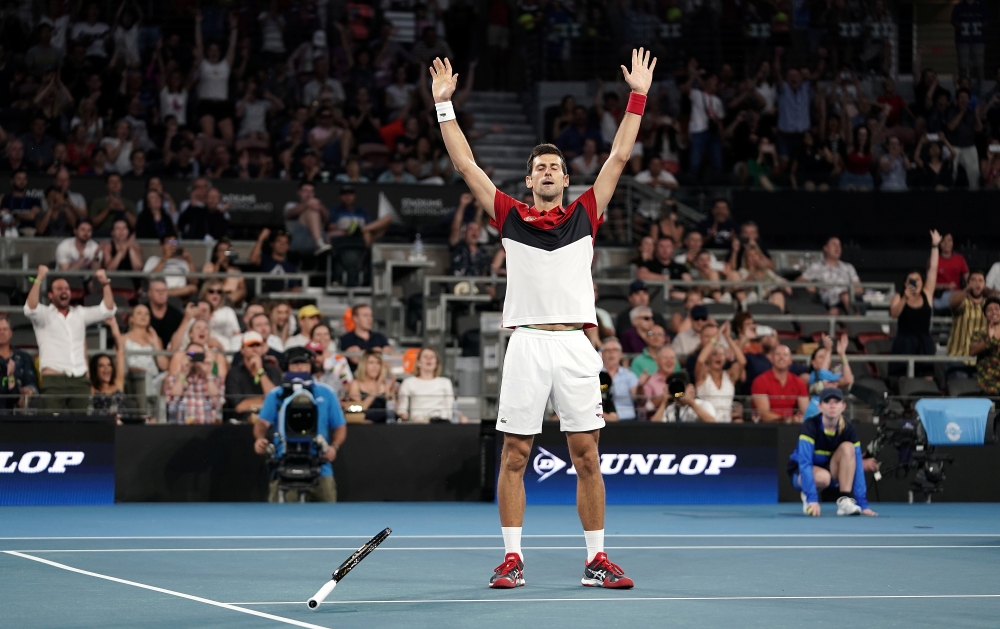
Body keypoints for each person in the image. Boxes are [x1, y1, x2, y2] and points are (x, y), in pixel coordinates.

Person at [435, 51, 653, 589]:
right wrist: (444, 107)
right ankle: (513, 559)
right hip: (528, 345)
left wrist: (639, 96)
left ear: (565, 176)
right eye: (540, 168)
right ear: (529, 180)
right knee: (514, 454)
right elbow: (466, 165)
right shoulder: (509, 214)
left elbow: (621, 155)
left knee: (587, 457)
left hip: (577, 346)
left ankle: (596, 561)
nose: (549, 171)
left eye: (556, 166)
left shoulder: (586, 213)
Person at [253, 346, 347, 502]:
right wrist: (259, 439)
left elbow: (340, 426)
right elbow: (261, 423)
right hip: (283, 464)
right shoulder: (275, 394)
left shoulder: (326, 392)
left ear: (311, 366)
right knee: (281, 520)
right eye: (295, 364)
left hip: (320, 465)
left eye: (304, 363)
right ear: (287, 367)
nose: (300, 367)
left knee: (330, 518)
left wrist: (334, 447)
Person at [25, 266, 116, 411]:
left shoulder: (79, 314)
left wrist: (105, 284)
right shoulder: (44, 314)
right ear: (50, 295)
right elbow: (30, 308)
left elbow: (108, 310)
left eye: (66, 288)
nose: (64, 291)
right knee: (54, 427)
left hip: (79, 379)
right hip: (54, 380)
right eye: (59, 288)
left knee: (81, 428)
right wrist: (39, 278)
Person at [789, 388, 877, 517]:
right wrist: (812, 499)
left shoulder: (848, 429)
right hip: (801, 474)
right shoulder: (810, 426)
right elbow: (804, 463)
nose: (832, 405)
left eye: (836, 401)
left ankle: (845, 502)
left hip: (831, 472)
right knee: (823, 478)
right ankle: (807, 492)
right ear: (820, 407)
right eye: (827, 401)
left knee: (848, 447)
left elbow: (857, 465)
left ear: (843, 406)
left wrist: (863, 504)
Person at [890, 231, 941, 377]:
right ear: (905, 283)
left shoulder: (927, 294)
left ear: (922, 282)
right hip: (904, 342)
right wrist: (905, 298)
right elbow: (894, 314)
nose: (915, 283)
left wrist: (935, 245)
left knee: (927, 377)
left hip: (924, 342)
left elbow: (933, 269)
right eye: (911, 280)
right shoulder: (898, 297)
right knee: (904, 378)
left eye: (918, 280)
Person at [694, 321, 746, 423]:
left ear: (725, 358)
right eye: (714, 354)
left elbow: (742, 361)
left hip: (727, 425)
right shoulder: (703, 376)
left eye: (722, 354)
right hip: (707, 423)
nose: (718, 356)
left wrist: (728, 338)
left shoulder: (729, 376)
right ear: (708, 358)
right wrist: (716, 337)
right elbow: (700, 360)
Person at [225, 331, 282, 423]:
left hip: (270, 422)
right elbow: (240, 406)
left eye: (258, 345)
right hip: (241, 424)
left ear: (263, 348)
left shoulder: (273, 371)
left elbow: (276, 400)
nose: (255, 349)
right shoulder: (234, 373)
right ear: (242, 350)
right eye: (251, 345)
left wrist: (260, 371)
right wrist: (267, 402)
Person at [798, 237, 862, 314]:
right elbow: (798, 281)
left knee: (845, 297)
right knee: (833, 312)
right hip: (827, 303)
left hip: (847, 300)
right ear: (826, 248)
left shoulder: (848, 267)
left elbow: (859, 289)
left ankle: (858, 324)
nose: (837, 248)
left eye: (839, 245)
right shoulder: (816, 267)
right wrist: (808, 284)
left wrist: (846, 292)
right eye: (834, 245)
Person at [165, 342, 225, 424]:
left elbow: (218, 403)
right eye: (192, 353)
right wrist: (183, 373)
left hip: (207, 429)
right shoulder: (174, 379)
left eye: (199, 354)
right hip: (182, 429)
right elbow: (172, 402)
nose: (195, 357)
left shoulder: (215, 380)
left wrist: (208, 374)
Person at [396, 347, 459, 423]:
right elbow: (402, 410)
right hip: (418, 425)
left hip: (441, 424)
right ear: (418, 362)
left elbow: (450, 408)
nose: (429, 359)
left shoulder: (445, 382)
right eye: (425, 356)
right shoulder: (408, 382)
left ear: (436, 363)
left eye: (432, 357)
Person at [946, 271, 992, 375]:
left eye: (980, 280)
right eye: (973, 280)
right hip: (958, 357)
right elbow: (953, 303)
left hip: (979, 359)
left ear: (984, 284)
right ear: (968, 283)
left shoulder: (988, 305)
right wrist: (967, 289)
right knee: (959, 390)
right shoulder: (963, 300)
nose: (977, 283)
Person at [123, 303, 169, 402]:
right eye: (139, 313)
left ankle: (162, 413)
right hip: (133, 378)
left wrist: (156, 344)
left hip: (154, 378)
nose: (143, 316)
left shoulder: (156, 339)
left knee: (170, 375)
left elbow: (164, 366)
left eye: (146, 314)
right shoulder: (123, 339)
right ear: (131, 318)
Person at [751, 344, 809, 422]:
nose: (781, 357)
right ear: (772, 359)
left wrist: (797, 419)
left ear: (790, 361)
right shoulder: (760, 381)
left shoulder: (799, 382)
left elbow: (805, 411)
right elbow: (764, 415)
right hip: (767, 427)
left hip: (791, 427)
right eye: (778, 354)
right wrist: (788, 420)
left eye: (785, 355)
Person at [801, 335, 855, 418]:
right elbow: (822, 374)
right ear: (813, 362)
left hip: (832, 414)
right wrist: (828, 350)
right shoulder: (808, 376)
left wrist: (842, 354)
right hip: (814, 413)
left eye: (826, 356)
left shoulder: (833, 376)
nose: (825, 359)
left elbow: (848, 380)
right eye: (821, 357)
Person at [89, 316, 129, 420]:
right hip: (104, 429)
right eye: (101, 366)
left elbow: (120, 352)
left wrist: (114, 327)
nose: (106, 368)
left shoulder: (118, 384)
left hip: (124, 429)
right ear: (95, 370)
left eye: (109, 365)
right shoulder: (92, 389)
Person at [0, 318, 39, 411]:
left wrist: (29, 391)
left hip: (17, 410)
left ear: (10, 333)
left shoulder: (24, 357)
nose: (1, 332)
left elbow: (32, 384)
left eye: (5, 329)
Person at [346, 351, 395, 423]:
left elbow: (394, 411)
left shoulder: (384, 384)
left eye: (378, 363)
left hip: (384, 425)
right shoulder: (356, 384)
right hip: (364, 426)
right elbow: (360, 410)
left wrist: (389, 390)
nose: (375, 366)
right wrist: (376, 389)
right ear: (363, 365)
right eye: (371, 363)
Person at [649, 373, 718, 423]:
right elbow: (654, 428)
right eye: (674, 388)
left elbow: (712, 423)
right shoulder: (669, 409)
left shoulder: (703, 404)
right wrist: (664, 402)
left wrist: (692, 403)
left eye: (680, 387)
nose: (678, 391)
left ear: (690, 387)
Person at [600, 338, 638, 421]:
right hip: (602, 418)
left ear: (621, 354)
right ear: (602, 354)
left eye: (615, 350)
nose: (611, 353)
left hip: (628, 419)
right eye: (607, 350)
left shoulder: (630, 375)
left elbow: (637, 397)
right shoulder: (596, 375)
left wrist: (641, 387)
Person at [200, 279, 242, 353]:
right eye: (211, 291)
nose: (215, 295)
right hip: (204, 347)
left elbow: (237, 336)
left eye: (219, 292)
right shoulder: (200, 310)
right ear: (204, 293)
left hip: (227, 347)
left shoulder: (228, 311)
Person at [202, 240, 247, 307]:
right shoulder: (209, 266)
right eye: (221, 250)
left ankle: (224, 303)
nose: (224, 253)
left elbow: (242, 289)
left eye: (227, 250)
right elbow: (209, 282)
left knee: (242, 291)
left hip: (231, 298)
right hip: (214, 295)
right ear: (216, 253)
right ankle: (221, 303)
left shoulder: (236, 271)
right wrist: (219, 263)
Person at [970, 297, 1000, 395]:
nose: (993, 312)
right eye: (989, 310)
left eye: (997, 308)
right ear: (984, 315)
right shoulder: (979, 334)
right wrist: (988, 339)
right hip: (987, 387)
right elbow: (972, 352)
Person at [933, 233, 969, 310]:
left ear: (952, 242)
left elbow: (968, 279)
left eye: (949, 240)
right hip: (940, 296)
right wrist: (945, 286)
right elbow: (929, 284)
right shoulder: (934, 260)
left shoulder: (959, 259)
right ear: (939, 243)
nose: (947, 243)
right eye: (943, 241)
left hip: (957, 293)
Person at [146, 278, 184, 348]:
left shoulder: (176, 315)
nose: (161, 294)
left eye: (164, 290)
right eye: (158, 291)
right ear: (149, 293)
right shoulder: (142, 312)